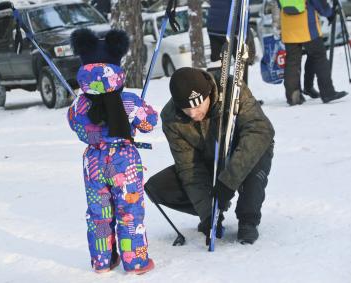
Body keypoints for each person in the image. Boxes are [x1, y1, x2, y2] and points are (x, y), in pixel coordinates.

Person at [145, 67, 274, 245]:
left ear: (209, 94)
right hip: (208, 159)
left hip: (244, 151)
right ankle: (216, 211)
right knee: (157, 187)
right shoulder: (171, 118)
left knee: (253, 160)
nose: (193, 114)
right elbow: (190, 168)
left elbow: (260, 130)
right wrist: (208, 214)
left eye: (198, 106)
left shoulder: (232, 88)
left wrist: (228, 182)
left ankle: (248, 219)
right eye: (186, 109)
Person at [68, 28, 157, 274]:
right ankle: (135, 261)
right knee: (129, 211)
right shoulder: (128, 102)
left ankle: (102, 261)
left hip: (94, 162)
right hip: (124, 161)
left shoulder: (80, 105)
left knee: (99, 214)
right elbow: (150, 123)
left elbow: (75, 125)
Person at [277, 0, 348, 105]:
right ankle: (327, 92)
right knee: (319, 56)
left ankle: (293, 95)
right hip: (306, 24)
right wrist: (329, 13)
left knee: (292, 60)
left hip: (288, 24)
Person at [206, 0, 255, 83]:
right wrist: (245, 35)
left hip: (213, 28)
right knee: (241, 63)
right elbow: (243, 12)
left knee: (217, 64)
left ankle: (216, 89)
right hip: (231, 29)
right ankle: (241, 91)